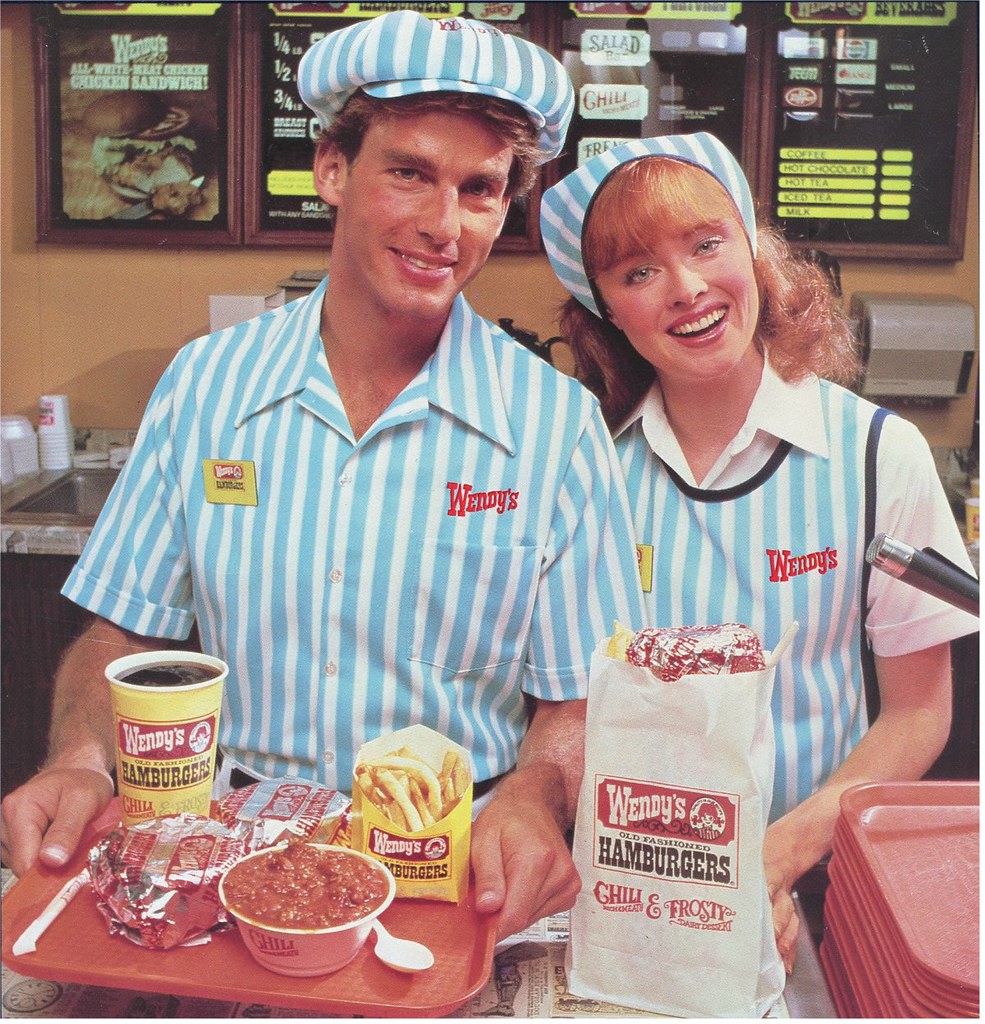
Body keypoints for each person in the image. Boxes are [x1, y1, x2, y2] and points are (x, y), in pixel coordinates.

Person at [0, 10, 647, 942]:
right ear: (334, 169)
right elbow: (121, 635)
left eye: (479, 190)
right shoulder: (207, 386)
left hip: (452, 867)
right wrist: (79, 757)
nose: (441, 225)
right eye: (410, 173)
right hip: (223, 864)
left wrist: (540, 797)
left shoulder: (553, 427)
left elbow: (575, 704)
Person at [539, 133, 978, 971]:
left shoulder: (875, 455)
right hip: (634, 887)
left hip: (820, 887)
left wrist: (767, 861)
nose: (687, 288)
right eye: (637, 272)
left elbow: (919, 713)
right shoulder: (585, 467)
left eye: (707, 244)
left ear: (754, 249)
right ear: (603, 311)